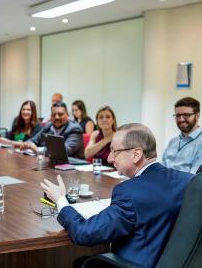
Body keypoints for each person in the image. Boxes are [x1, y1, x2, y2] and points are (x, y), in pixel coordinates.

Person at [41, 123, 192, 268]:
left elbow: (84, 233)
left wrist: (61, 200)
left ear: (136, 154)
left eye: (115, 151)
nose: (110, 158)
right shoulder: (188, 180)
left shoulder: (129, 192)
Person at [163, 97, 202, 174]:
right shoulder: (173, 141)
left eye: (186, 115)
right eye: (178, 115)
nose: (181, 119)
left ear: (197, 116)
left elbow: (194, 178)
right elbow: (162, 169)